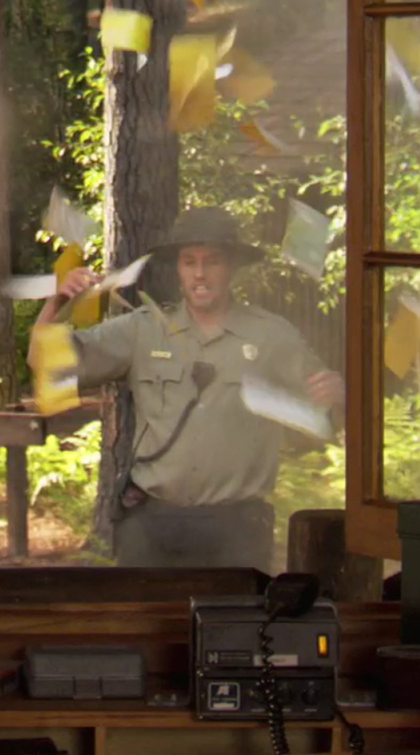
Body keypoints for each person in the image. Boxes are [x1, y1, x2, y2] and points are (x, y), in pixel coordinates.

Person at [32, 207, 344, 569]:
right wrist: (58, 301)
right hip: (153, 526)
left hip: (237, 531)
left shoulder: (272, 336)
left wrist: (340, 398)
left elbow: (325, 421)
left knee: (234, 608)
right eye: (189, 261)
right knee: (146, 608)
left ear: (232, 266)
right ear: (178, 269)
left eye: (212, 261)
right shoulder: (143, 330)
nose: (200, 273)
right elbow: (48, 366)